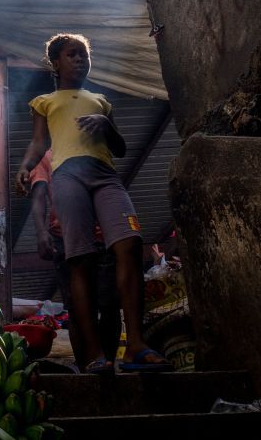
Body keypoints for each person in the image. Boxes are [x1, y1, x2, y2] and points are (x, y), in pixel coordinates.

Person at [16, 33, 171, 373]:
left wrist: (106, 125)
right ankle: (91, 356)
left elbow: (119, 149)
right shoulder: (44, 101)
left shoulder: (101, 100)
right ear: (55, 62)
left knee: (130, 244)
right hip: (68, 176)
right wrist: (26, 167)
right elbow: (39, 143)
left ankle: (136, 346)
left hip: (105, 176)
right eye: (72, 54)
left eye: (85, 55)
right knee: (80, 260)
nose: (81, 60)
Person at [28, 148, 120, 369]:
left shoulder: (96, 149)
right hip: (66, 237)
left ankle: (108, 363)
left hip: (103, 236)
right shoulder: (46, 157)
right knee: (77, 309)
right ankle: (86, 368)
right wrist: (41, 232)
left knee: (110, 305)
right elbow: (38, 195)